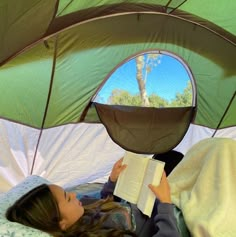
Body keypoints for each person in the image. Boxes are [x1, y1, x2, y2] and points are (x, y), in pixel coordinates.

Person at [6, 158, 180, 237]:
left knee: (168, 157)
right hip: (163, 217)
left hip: (142, 202)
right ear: (61, 223)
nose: (74, 195)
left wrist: (112, 181)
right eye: (68, 198)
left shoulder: (80, 209)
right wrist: (165, 204)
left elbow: (104, 201)